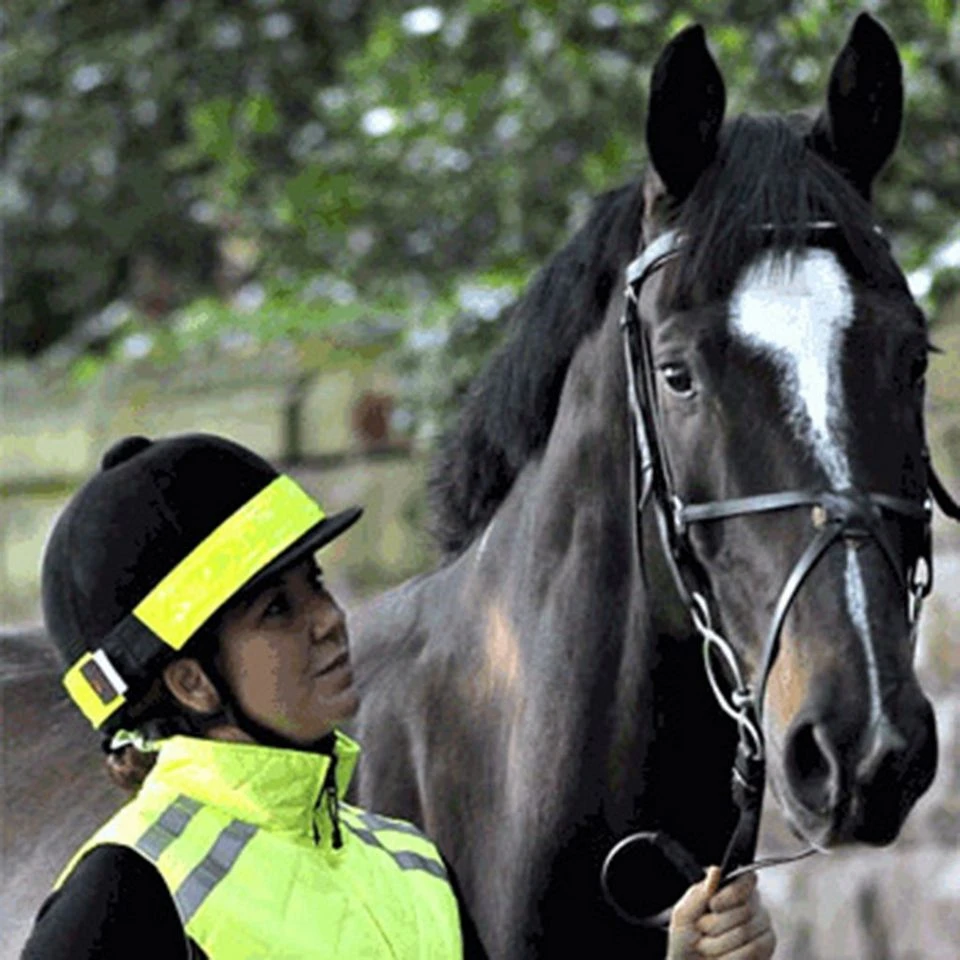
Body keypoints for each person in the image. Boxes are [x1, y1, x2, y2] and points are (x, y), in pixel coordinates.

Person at [22, 433, 775, 960]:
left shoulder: (409, 863)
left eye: (313, 581)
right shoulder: (126, 892)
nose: (327, 620)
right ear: (191, 681)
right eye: (275, 610)